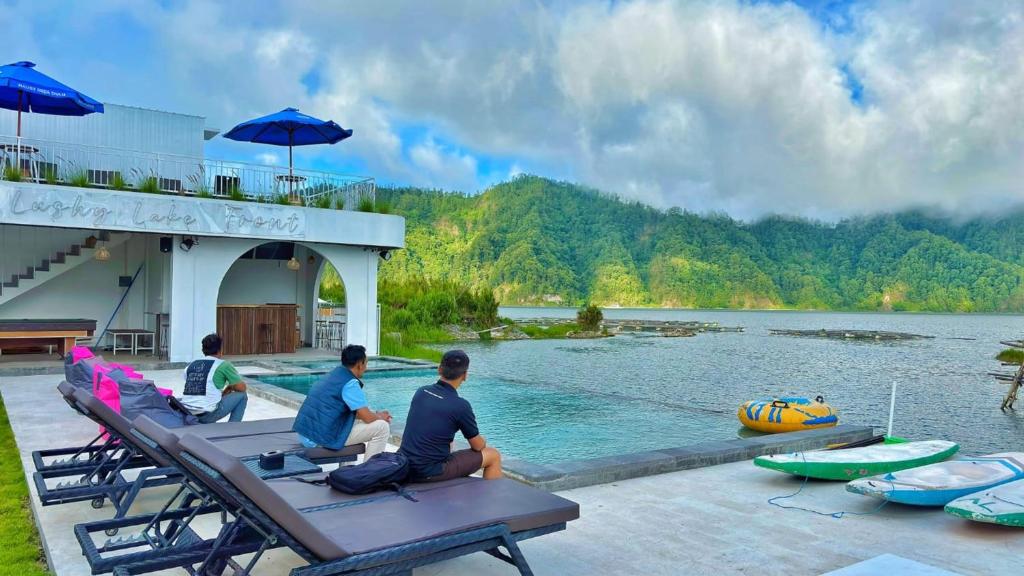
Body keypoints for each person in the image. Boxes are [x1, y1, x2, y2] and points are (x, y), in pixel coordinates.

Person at [399, 349, 503, 481]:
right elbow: (478, 446)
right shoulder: (460, 405)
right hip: (428, 472)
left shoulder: (421, 391)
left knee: (448, 442)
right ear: (465, 375)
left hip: (404, 464)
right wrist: (483, 440)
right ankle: (492, 500)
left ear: (439, 369)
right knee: (493, 455)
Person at [293, 344, 392, 459]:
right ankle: (370, 472)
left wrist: (376, 414)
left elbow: (353, 413)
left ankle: (348, 470)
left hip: (306, 434)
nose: (366, 367)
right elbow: (367, 417)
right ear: (360, 364)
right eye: (366, 363)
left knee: (360, 422)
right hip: (319, 437)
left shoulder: (335, 375)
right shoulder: (350, 383)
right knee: (382, 427)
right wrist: (380, 418)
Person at [180, 333, 248, 423]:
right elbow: (242, 388)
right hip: (206, 415)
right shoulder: (223, 365)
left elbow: (200, 386)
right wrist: (231, 387)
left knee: (210, 400)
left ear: (203, 350)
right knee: (242, 396)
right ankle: (233, 428)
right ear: (220, 350)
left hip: (186, 413)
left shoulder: (192, 364)